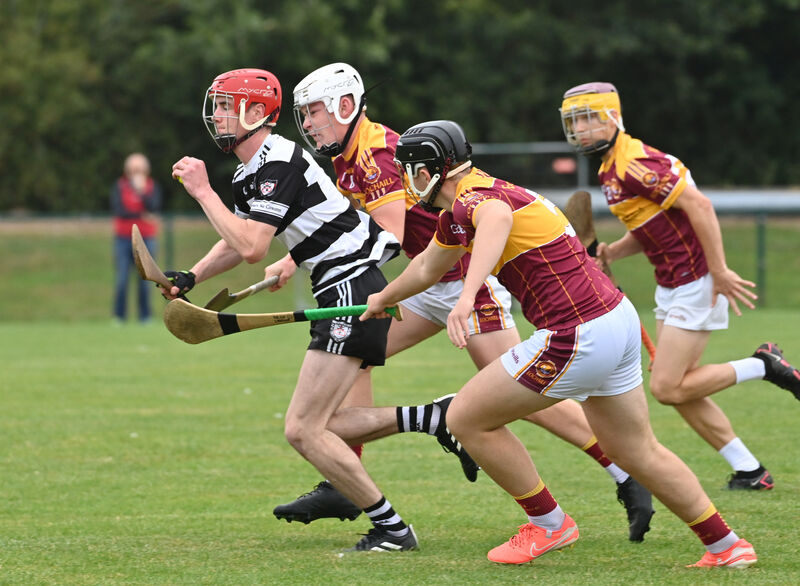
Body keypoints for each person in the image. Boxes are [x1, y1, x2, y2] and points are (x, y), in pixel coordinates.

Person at [273, 62, 653, 542]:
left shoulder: (375, 153)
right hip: (424, 283)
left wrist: (313, 256)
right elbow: (352, 221)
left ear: (345, 106)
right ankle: (344, 479)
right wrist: (293, 259)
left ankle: (624, 472)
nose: (306, 124)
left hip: (459, 280)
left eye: (313, 113)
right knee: (359, 355)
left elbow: (386, 233)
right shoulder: (346, 155)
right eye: (302, 115)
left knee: (528, 398)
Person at [361, 120, 757, 568]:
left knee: (465, 418)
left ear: (435, 168)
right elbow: (429, 266)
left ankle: (550, 525)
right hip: (615, 321)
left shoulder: (477, 199)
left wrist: (468, 295)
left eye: (410, 169)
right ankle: (727, 546)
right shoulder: (465, 206)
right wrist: (382, 298)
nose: (405, 180)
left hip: (576, 331)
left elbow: (495, 219)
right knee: (635, 450)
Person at [162, 68, 428, 554]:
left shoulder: (278, 159)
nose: (216, 115)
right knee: (327, 423)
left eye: (226, 106)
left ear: (256, 113)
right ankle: (438, 420)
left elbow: (250, 247)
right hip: (341, 289)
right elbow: (239, 235)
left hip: (350, 286)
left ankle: (393, 528)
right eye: (217, 105)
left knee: (304, 428)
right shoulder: (253, 168)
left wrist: (202, 191)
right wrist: (192, 276)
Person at [559, 82, 800, 490]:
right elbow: (652, 227)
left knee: (668, 387)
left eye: (588, 119)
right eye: (574, 122)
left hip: (697, 278)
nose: (581, 130)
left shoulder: (636, 162)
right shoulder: (610, 168)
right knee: (680, 388)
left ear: (613, 117)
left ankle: (764, 365)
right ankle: (749, 470)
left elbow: (699, 206)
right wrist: (614, 251)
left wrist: (720, 270)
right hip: (670, 282)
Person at [111, 152, 162, 323]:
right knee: (122, 279)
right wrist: (142, 214)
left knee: (145, 281)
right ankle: (119, 317)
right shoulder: (120, 186)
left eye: (139, 169)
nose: (136, 173)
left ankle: (145, 317)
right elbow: (120, 211)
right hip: (123, 239)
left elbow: (153, 207)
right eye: (133, 169)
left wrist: (141, 192)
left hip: (146, 239)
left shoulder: (151, 187)